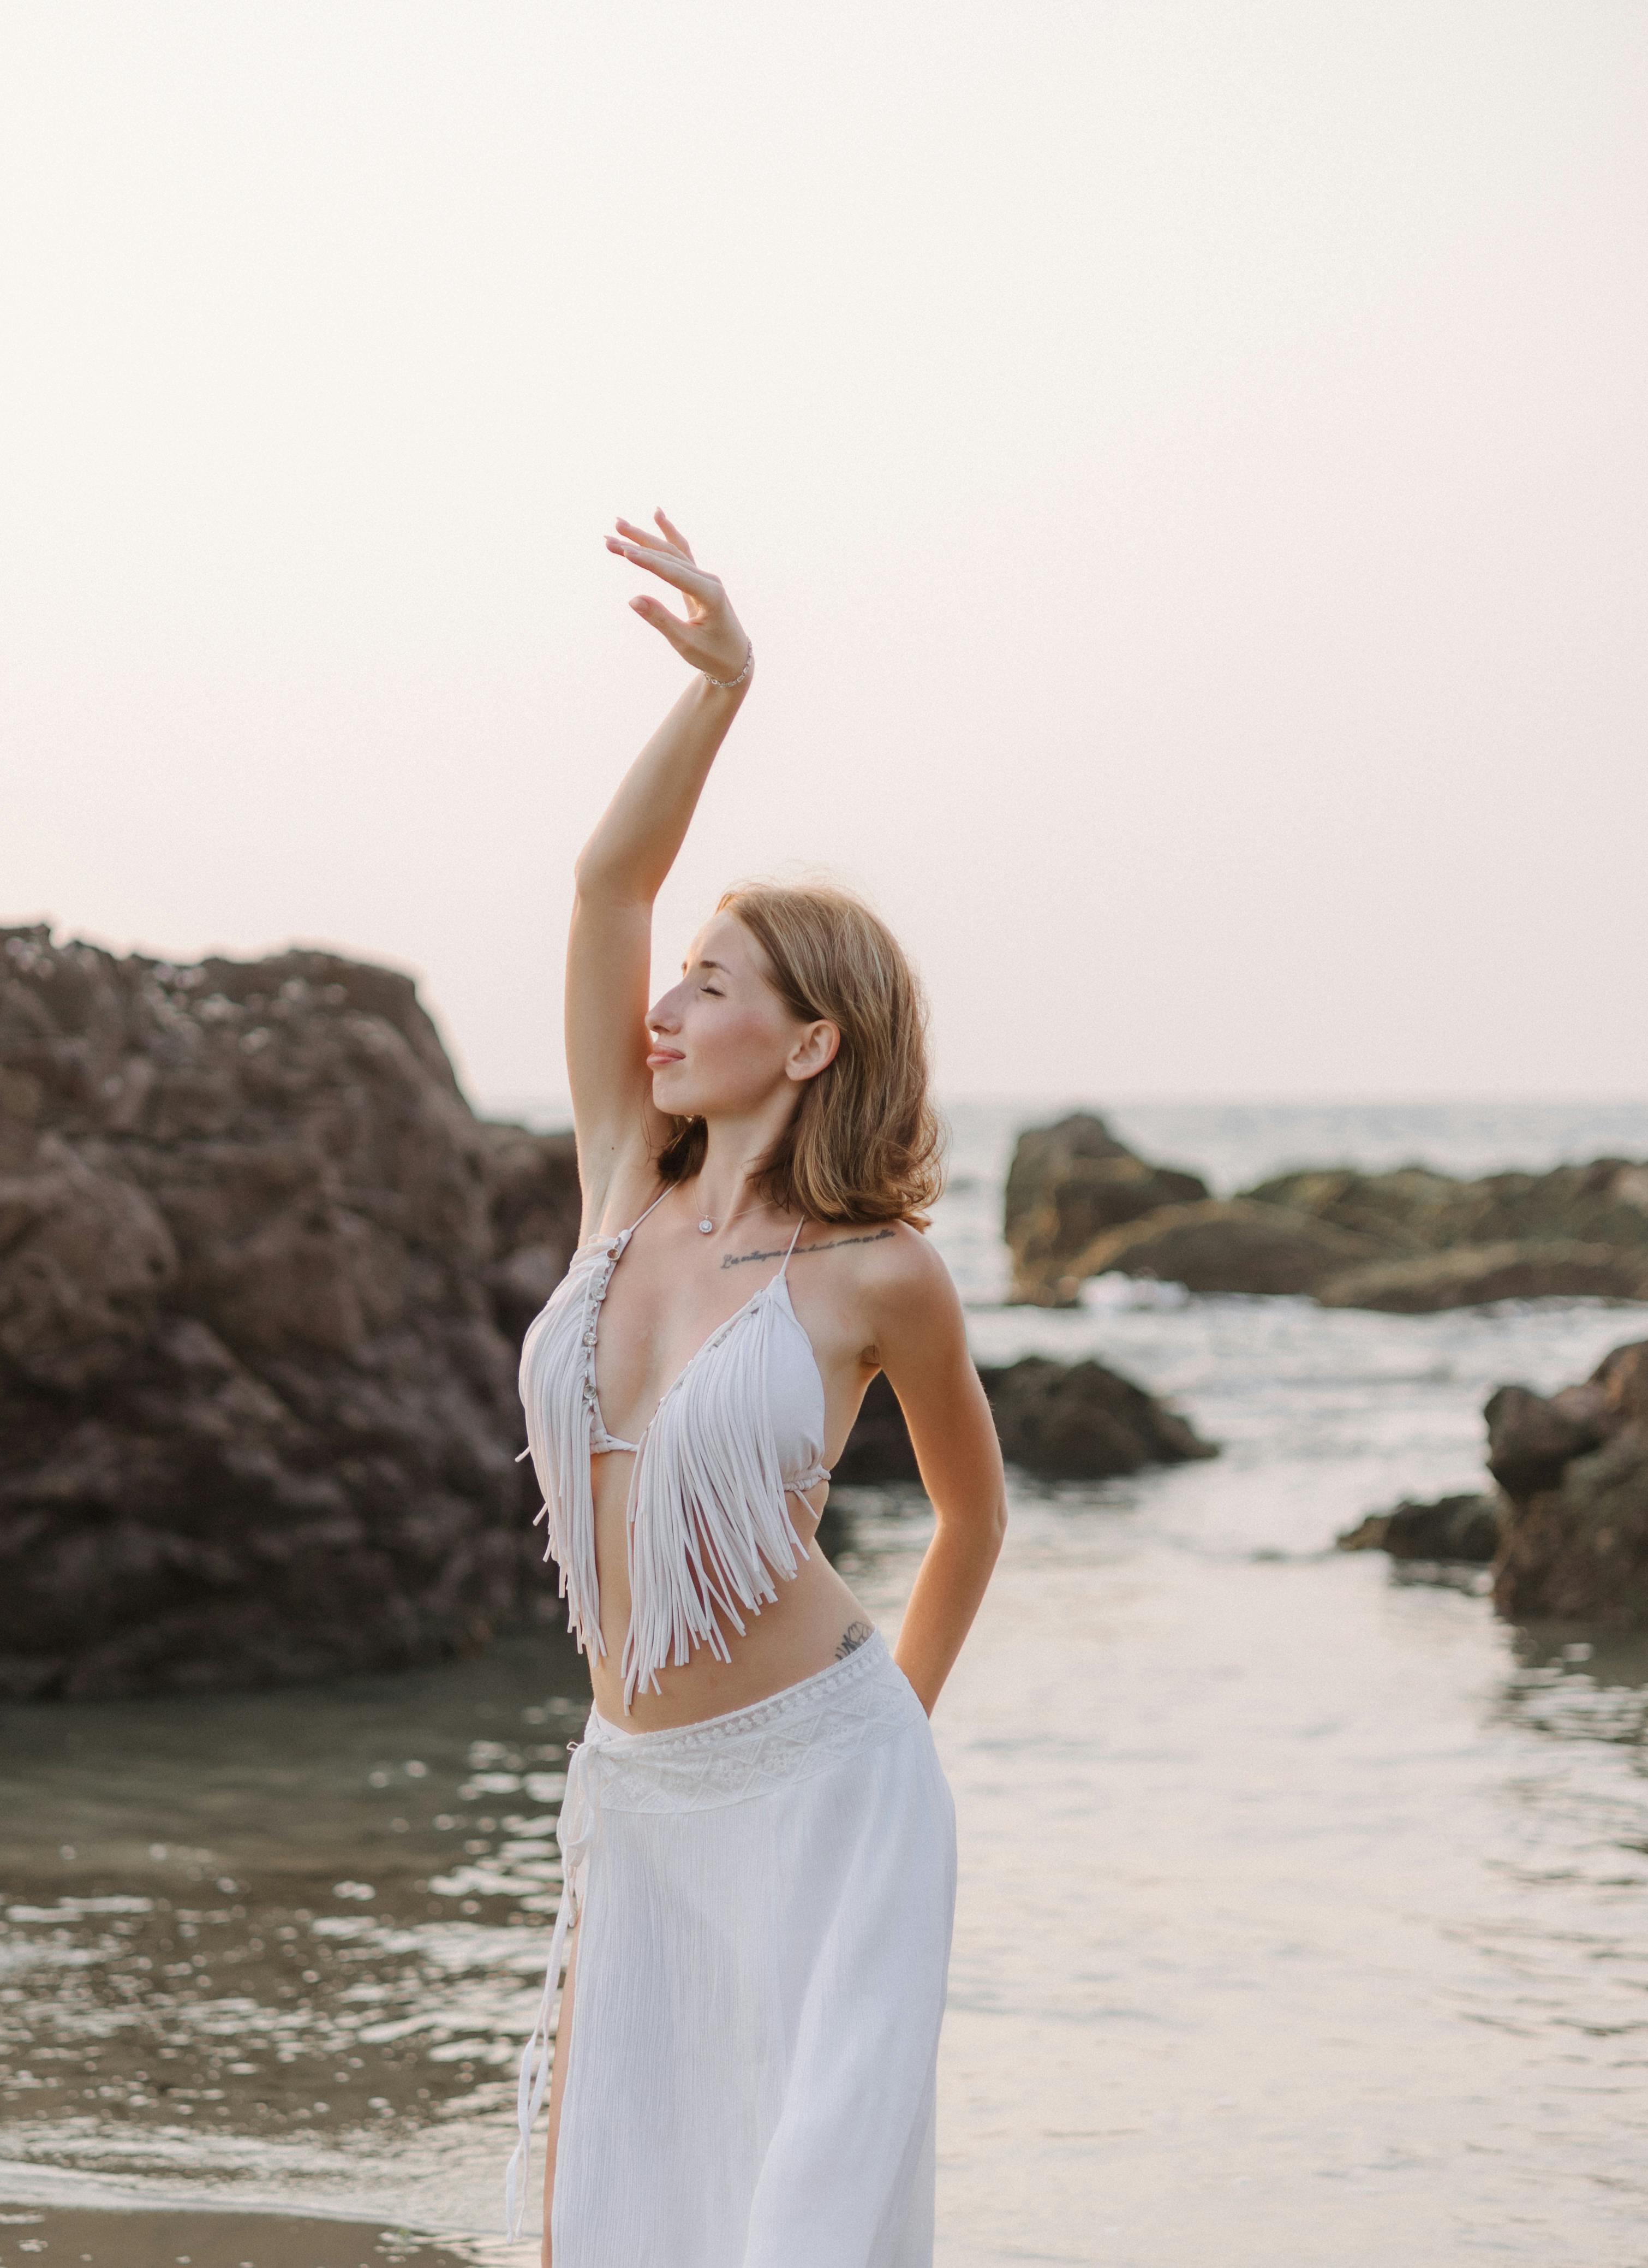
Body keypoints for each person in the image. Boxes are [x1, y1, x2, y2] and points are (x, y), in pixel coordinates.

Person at [507, 511, 1008, 2267]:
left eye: (712, 984)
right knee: (613, 2223)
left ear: (807, 1043)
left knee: (802, 2233)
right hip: (635, 1798)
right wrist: (722, 691)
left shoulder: (878, 1274)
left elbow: (970, 1519)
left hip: (831, 1795)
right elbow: (601, 888)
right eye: (679, 975)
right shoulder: (616, 1191)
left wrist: (883, 1755)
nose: (665, 1000)